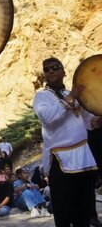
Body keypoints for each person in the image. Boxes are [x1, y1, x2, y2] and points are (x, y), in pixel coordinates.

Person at [33, 57, 98, 227]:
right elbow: (48, 118)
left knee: (83, 207)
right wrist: (71, 98)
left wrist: (98, 120)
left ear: (63, 72)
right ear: (45, 75)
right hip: (60, 159)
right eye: (47, 69)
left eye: (55, 67)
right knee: (63, 209)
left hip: (83, 155)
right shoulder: (41, 97)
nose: (51, 71)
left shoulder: (71, 94)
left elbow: (87, 121)